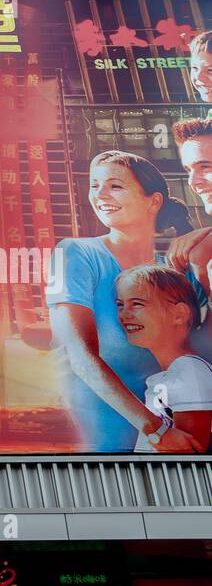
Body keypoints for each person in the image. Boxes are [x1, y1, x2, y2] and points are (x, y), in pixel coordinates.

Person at [49, 150, 210, 453]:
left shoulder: (177, 269)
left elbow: (204, 348)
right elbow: (78, 355)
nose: (100, 195)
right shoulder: (73, 253)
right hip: (103, 442)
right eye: (94, 185)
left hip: (176, 442)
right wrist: (156, 430)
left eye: (115, 186)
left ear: (154, 201)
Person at [116, 265, 212, 452]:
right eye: (120, 305)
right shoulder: (173, 373)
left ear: (179, 314)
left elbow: (190, 457)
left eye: (137, 304)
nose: (124, 315)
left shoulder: (190, 372)